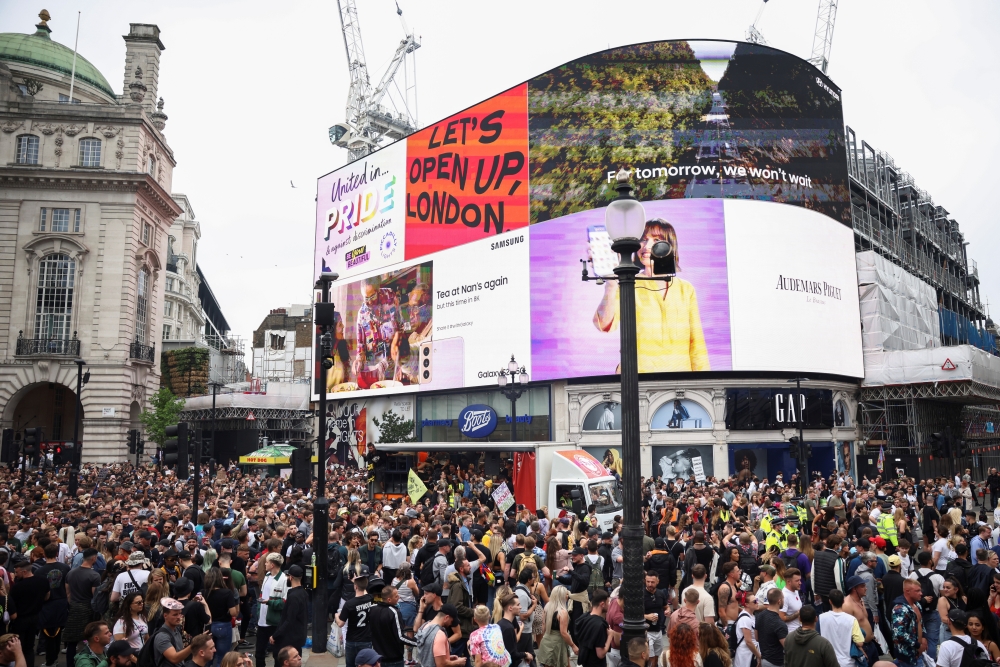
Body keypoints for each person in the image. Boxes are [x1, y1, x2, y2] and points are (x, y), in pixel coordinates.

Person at [593, 218, 710, 373]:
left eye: (656, 240)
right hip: (636, 379)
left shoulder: (685, 289)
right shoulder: (627, 283)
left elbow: (697, 344)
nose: (646, 246)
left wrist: (704, 382)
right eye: (643, 239)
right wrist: (611, 283)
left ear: (669, 246)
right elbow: (604, 324)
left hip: (680, 380)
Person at [369, 577, 418, 667]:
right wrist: (417, 642)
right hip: (394, 659)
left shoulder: (372, 609)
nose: (398, 597)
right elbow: (400, 637)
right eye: (396, 596)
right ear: (389, 600)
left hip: (378, 659)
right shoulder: (394, 612)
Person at [9, 559, 48, 667]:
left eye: (17, 572)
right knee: (30, 647)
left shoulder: (17, 587)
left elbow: (11, 604)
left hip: (20, 620)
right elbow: (47, 596)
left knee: (18, 647)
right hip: (35, 617)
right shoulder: (43, 581)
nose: (16, 575)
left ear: (24, 572)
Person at [256, 553, 289, 667]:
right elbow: (262, 594)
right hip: (262, 621)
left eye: (267, 562)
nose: (265, 563)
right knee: (259, 653)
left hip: (274, 623)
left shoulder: (284, 580)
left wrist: (269, 602)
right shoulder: (267, 575)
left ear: (272, 564)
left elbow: (285, 602)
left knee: (277, 654)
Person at [337, 569, 375, 667]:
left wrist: (336, 616)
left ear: (355, 587)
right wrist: (357, 582)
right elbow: (364, 590)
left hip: (352, 640)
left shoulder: (349, 604)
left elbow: (341, 623)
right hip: (366, 640)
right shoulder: (370, 599)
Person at [535, 585, 577, 667]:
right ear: (561, 596)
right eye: (566, 594)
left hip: (546, 640)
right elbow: (564, 633)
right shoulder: (562, 612)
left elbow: (543, 626)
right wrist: (573, 645)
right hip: (557, 644)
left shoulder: (547, 607)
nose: (568, 596)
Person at [154, 598, 205, 666]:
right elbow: (174, 659)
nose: (179, 617)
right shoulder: (162, 636)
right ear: (165, 616)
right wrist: (195, 644)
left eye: (180, 613)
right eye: (175, 615)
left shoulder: (177, 629)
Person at [575, 589, 613, 667]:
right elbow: (601, 654)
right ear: (602, 604)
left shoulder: (583, 618)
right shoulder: (600, 625)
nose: (609, 604)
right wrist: (610, 636)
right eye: (608, 602)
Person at [757, 588, 788, 667]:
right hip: (776, 663)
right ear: (779, 601)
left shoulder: (760, 616)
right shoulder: (779, 624)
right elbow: (787, 647)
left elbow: (757, 637)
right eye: (783, 598)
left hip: (764, 660)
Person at [779, 568, 803, 633]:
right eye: (797, 581)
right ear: (789, 582)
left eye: (800, 580)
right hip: (791, 633)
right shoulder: (784, 596)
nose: (800, 583)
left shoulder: (795, 591)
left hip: (799, 629)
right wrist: (798, 613)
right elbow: (781, 617)